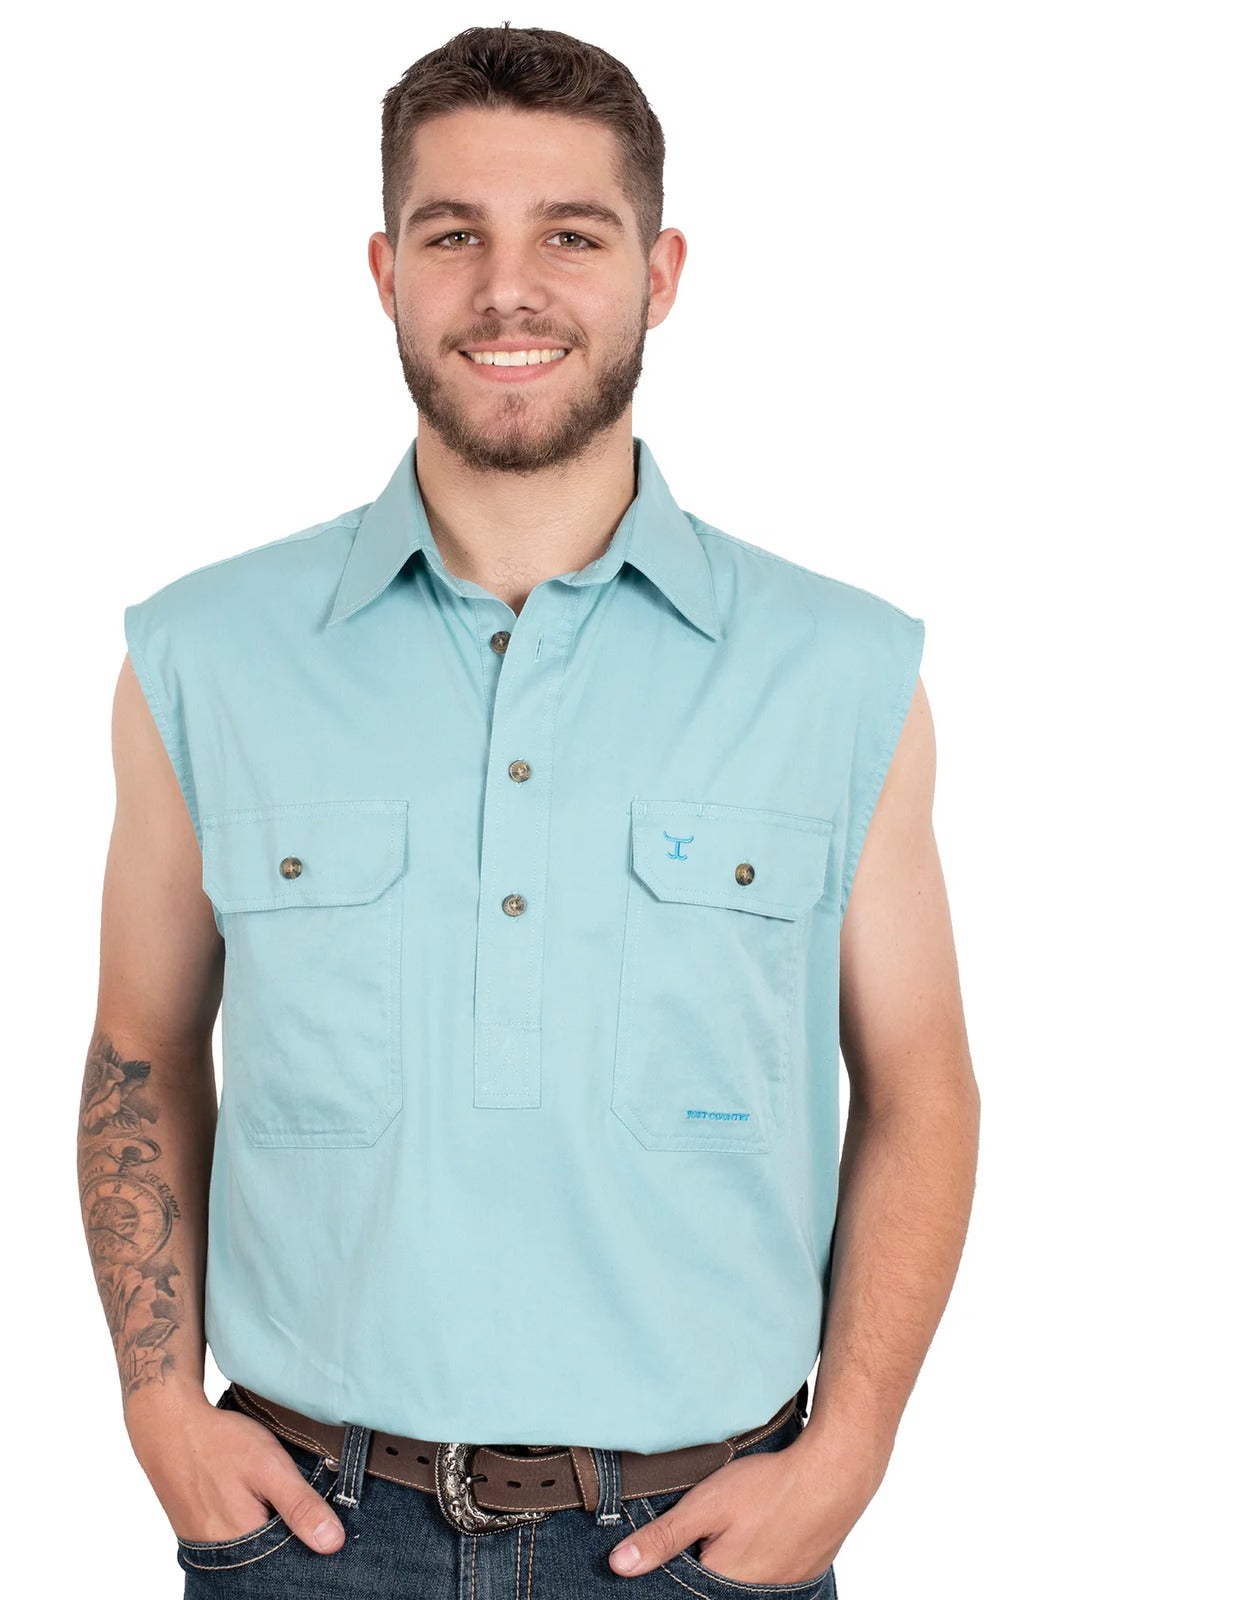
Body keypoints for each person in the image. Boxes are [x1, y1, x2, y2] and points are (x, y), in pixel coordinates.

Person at [80, 23, 980, 1597]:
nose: (510, 290)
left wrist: (850, 1453)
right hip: (308, 1536)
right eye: (454, 236)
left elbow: (920, 1086)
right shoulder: (201, 657)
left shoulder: (842, 671)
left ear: (660, 273)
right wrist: (159, 1408)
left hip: (702, 1542)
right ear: (385, 273)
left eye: (572, 235)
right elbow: (139, 1049)